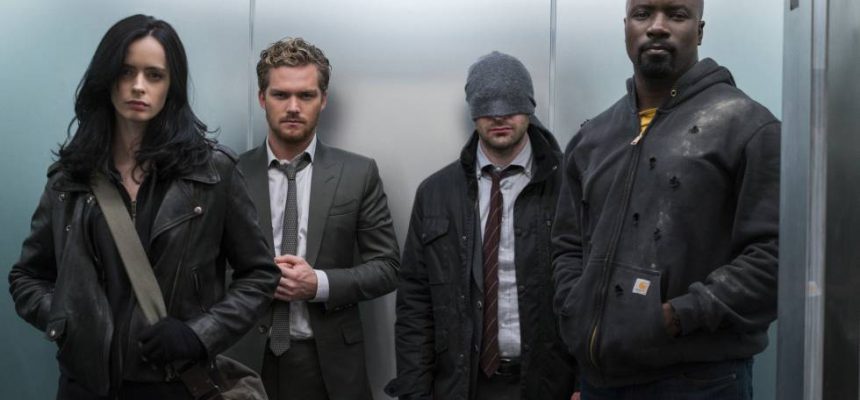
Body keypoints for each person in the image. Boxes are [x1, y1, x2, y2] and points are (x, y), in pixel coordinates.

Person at [8, 14, 280, 400]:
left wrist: (198, 334)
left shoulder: (210, 172)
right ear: (106, 79)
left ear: (172, 86)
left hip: (174, 384)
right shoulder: (70, 178)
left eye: (154, 75)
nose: (138, 86)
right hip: (85, 386)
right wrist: (69, 321)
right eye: (126, 72)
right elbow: (27, 277)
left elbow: (259, 275)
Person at [551, 0, 780, 398]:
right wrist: (577, 308)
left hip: (699, 382)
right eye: (643, 14)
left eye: (676, 14)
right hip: (601, 381)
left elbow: (776, 256)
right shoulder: (593, 138)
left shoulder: (747, 126)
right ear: (626, 27)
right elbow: (567, 245)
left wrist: (675, 318)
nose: (657, 26)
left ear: (700, 30)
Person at [385, 52, 577, 400]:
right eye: (487, 107)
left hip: (551, 384)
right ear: (472, 111)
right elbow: (415, 302)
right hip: (461, 385)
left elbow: (593, 288)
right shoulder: (436, 193)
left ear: (530, 106)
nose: (499, 117)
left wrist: (584, 385)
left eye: (511, 105)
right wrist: (414, 392)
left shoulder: (570, 185)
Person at [226, 37, 400, 400]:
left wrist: (318, 284)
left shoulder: (358, 174)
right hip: (243, 360)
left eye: (305, 95)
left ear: (323, 99)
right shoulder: (229, 174)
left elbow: (387, 267)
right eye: (280, 95)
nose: (293, 107)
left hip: (330, 366)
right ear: (262, 98)